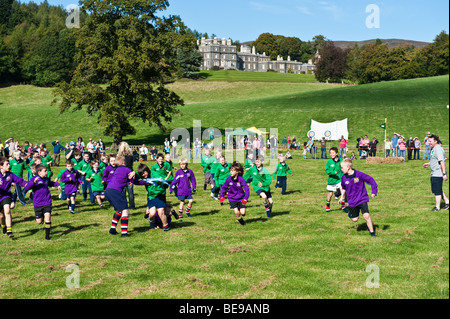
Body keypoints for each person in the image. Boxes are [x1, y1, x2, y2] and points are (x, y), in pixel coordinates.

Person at [106, 156, 146, 237]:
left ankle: (112, 229)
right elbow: (134, 181)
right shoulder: (127, 170)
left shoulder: (116, 170)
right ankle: (124, 233)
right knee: (125, 210)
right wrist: (145, 182)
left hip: (108, 191)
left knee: (119, 209)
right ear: (124, 162)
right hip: (116, 191)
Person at [339, 159, 378, 237]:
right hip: (352, 201)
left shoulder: (359, 174)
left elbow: (371, 180)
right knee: (355, 219)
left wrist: (374, 191)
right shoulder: (343, 177)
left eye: (342, 167)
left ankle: (372, 233)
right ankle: (351, 214)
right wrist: (341, 197)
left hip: (362, 198)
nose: (341, 169)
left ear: (348, 167)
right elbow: (343, 187)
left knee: (366, 215)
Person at [23, 164, 60, 240]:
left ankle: (47, 236)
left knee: (48, 217)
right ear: (39, 172)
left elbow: (51, 183)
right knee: (39, 222)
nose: (46, 172)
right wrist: (33, 182)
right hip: (37, 203)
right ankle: (41, 217)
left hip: (47, 201)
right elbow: (26, 188)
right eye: (45, 171)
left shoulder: (46, 179)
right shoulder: (34, 179)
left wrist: (57, 184)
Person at [0, 156, 28, 238]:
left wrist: (27, 184)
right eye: (7, 164)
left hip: (6, 196)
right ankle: (3, 227)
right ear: (1, 166)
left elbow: (20, 181)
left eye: (8, 164)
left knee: (7, 211)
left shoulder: (10, 175)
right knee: (1, 216)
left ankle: (9, 231)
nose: (9, 166)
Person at [423, 134, 449, 211]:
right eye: (428, 141)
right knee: (437, 189)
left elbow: (442, 161)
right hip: (434, 173)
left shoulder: (438, 149)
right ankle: (447, 202)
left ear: (435, 141)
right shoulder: (434, 148)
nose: (429, 143)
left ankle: (437, 207)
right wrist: (428, 163)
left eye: (430, 141)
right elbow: (435, 160)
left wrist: (444, 174)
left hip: (438, 173)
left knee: (437, 191)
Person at [325, 147, 345, 213]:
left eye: (333, 153)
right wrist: (333, 173)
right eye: (330, 153)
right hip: (332, 180)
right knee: (330, 194)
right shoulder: (329, 162)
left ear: (336, 153)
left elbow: (344, 168)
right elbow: (327, 170)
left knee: (343, 191)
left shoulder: (341, 160)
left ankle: (343, 206)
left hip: (339, 179)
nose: (331, 154)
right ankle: (328, 205)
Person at [118, 142, 136, 210]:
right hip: (130, 173)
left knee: (123, 191)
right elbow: (131, 165)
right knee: (130, 191)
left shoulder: (120, 157)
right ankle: (132, 206)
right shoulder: (131, 156)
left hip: (122, 174)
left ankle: (124, 205)